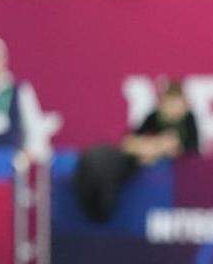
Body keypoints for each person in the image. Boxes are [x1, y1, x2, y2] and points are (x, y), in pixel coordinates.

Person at [73, 78, 198, 222]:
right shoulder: (153, 117)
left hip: (179, 190)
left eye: (176, 103)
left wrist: (160, 149)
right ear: (161, 103)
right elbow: (129, 142)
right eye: (168, 102)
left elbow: (189, 151)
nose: (172, 108)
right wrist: (153, 147)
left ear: (185, 104)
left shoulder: (189, 121)